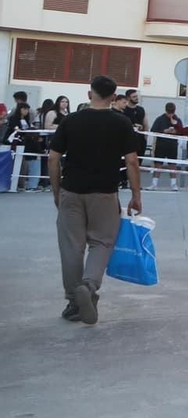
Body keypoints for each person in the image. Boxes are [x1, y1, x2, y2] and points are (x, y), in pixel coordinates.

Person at [50, 75, 144, 325]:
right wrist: (136, 194)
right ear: (114, 97)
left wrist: (56, 191)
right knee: (102, 243)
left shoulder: (71, 120)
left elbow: (53, 158)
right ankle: (89, 287)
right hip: (104, 193)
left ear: (89, 94)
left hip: (71, 190)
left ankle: (73, 302)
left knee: (71, 246)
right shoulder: (121, 123)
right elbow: (132, 161)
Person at [6, 101, 45, 191]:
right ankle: (19, 184)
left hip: (27, 143)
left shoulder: (27, 120)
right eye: (24, 109)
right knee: (20, 165)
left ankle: (26, 184)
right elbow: (16, 129)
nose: (26, 111)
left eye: (27, 109)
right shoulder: (13, 119)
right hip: (17, 143)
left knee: (26, 166)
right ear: (19, 109)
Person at [149, 102, 185, 190]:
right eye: (169, 112)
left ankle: (173, 184)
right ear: (166, 111)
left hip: (172, 145)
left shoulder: (177, 120)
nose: (170, 114)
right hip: (161, 144)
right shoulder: (160, 119)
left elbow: (182, 131)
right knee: (158, 164)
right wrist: (164, 131)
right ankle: (154, 183)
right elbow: (153, 130)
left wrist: (175, 131)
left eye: (172, 112)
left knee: (172, 165)